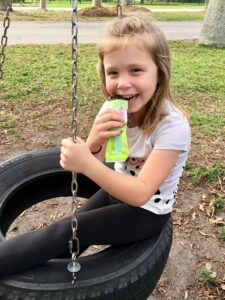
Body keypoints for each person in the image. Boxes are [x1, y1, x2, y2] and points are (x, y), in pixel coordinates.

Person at [0, 16, 191, 277]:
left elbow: (139, 194)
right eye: (113, 72)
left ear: (159, 72)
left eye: (136, 70)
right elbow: (98, 157)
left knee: (68, 229)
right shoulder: (114, 108)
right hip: (116, 190)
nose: (123, 83)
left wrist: (86, 163)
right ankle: (33, 280)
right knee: (70, 232)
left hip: (147, 213)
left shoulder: (173, 127)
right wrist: (91, 144)